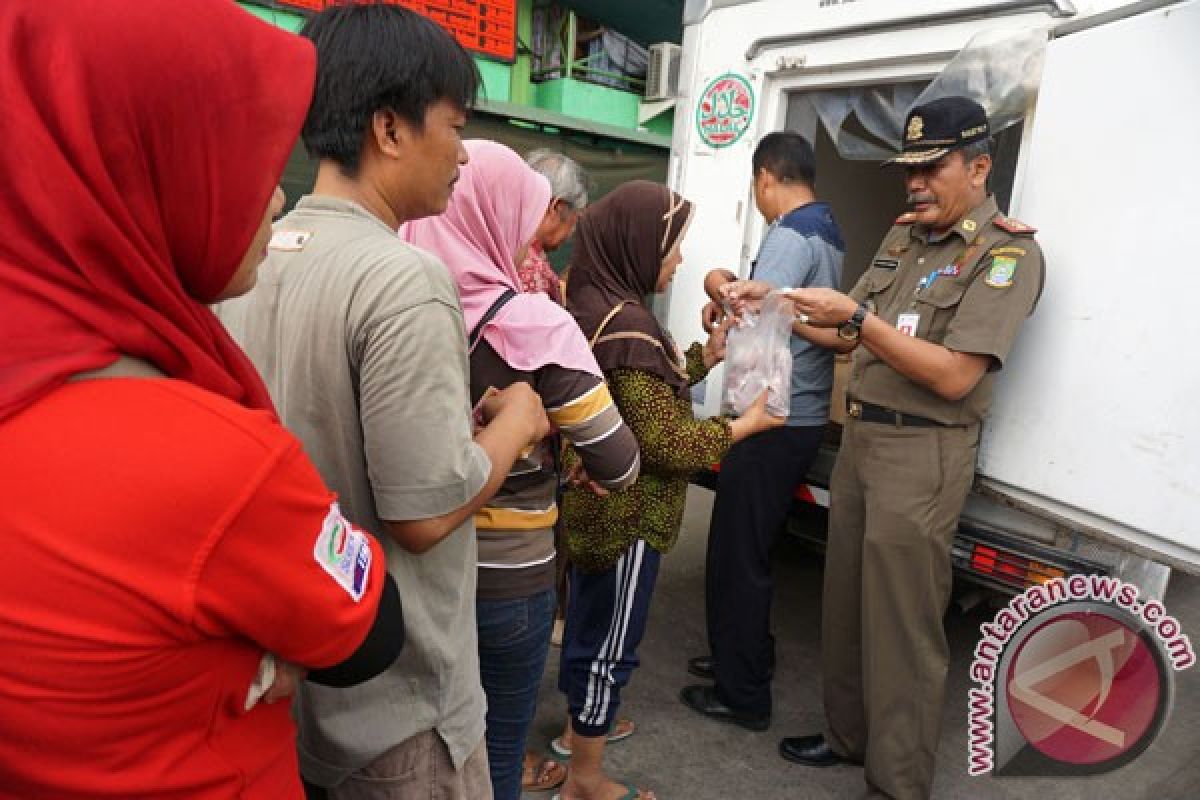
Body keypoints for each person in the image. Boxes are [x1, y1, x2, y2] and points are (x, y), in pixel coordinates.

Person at [0, 2, 405, 798]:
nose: (277, 201)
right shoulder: (209, 460)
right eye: (248, 167)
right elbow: (367, 631)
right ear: (140, 167)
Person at [217, 6, 549, 800]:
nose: (463, 152)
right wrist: (516, 424)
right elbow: (422, 515)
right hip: (400, 708)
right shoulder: (403, 278)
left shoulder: (254, 259)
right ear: (390, 130)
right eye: (454, 125)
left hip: (294, 685)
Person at [727, 97, 1045, 800]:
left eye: (932, 167)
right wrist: (773, 301)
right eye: (910, 169)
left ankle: (898, 781)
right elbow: (844, 332)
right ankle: (849, 738)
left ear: (980, 166)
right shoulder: (906, 239)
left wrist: (860, 320)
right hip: (865, 441)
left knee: (902, 627)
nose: (915, 183)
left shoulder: (1006, 254)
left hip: (924, 454)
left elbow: (954, 373)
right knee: (847, 605)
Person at [400, 139, 640, 800]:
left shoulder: (393, 300)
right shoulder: (535, 322)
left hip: (408, 569)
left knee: (412, 744)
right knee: (498, 748)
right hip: (508, 577)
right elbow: (619, 463)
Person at [556, 181, 786, 800]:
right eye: (673, 246)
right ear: (638, 244)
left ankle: (579, 732)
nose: (680, 261)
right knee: (609, 647)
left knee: (585, 626)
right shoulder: (629, 324)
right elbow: (664, 442)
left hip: (594, 506)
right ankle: (586, 779)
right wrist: (746, 425)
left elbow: (641, 400)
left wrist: (703, 357)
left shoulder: (595, 299)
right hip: (629, 517)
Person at [681, 131, 844, 730]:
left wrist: (718, 301)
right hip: (799, 415)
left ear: (765, 178)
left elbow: (755, 316)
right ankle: (744, 656)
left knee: (735, 555)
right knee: (753, 548)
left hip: (769, 418)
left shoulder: (790, 233)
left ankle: (742, 691)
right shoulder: (828, 230)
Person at [518, 148, 589, 304]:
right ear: (557, 207)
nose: (573, 231)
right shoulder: (534, 273)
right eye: (576, 218)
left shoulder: (496, 244)